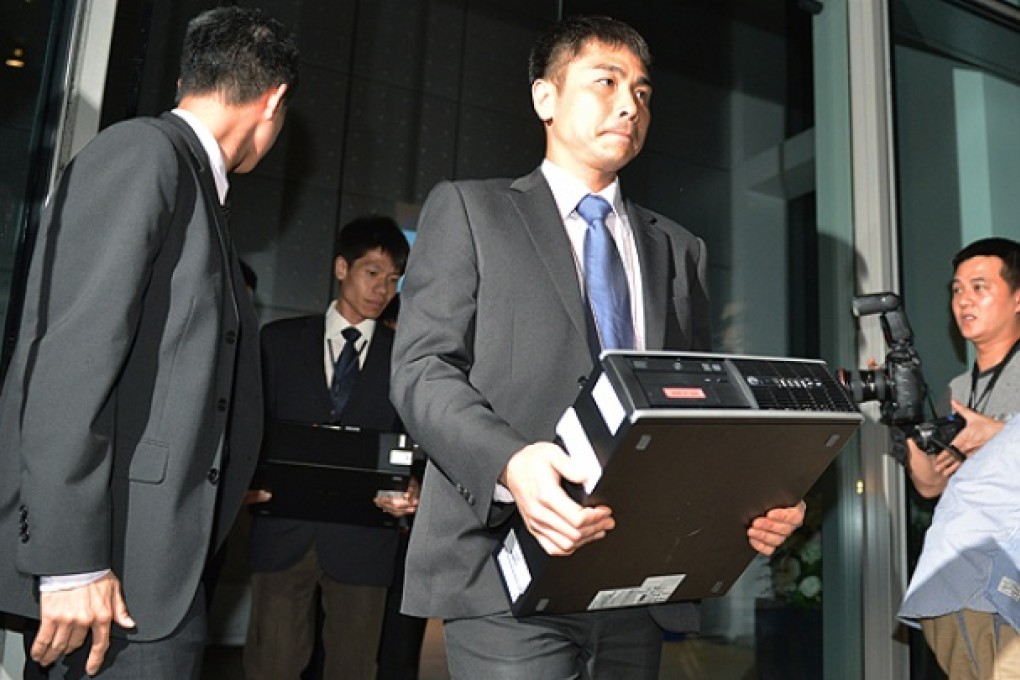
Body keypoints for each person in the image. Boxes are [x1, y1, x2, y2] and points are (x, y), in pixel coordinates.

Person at [389, 15, 805, 678]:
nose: (628, 104)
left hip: (633, 582)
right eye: (605, 81)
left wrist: (752, 499)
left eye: (642, 92)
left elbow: (696, 412)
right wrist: (510, 464)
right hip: (504, 573)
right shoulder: (471, 211)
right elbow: (420, 370)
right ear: (545, 99)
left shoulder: (680, 249)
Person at [0, 7, 298, 679]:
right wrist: (70, 560)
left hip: (148, 569)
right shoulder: (145, 154)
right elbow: (69, 357)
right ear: (273, 100)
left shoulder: (193, 185)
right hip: (109, 576)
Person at [244, 216, 417, 680]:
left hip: (365, 538)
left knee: (354, 668)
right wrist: (246, 482)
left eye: (394, 280)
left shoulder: (404, 358)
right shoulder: (278, 342)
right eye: (373, 273)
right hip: (284, 528)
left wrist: (413, 485)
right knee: (271, 666)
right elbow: (250, 425)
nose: (383, 289)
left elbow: (412, 439)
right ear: (342, 267)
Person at [899, 237, 1020, 678]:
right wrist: (905, 426)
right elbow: (933, 485)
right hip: (962, 577)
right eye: (957, 289)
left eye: (980, 286)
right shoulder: (958, 390)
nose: (964, 299)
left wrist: (999, 435)